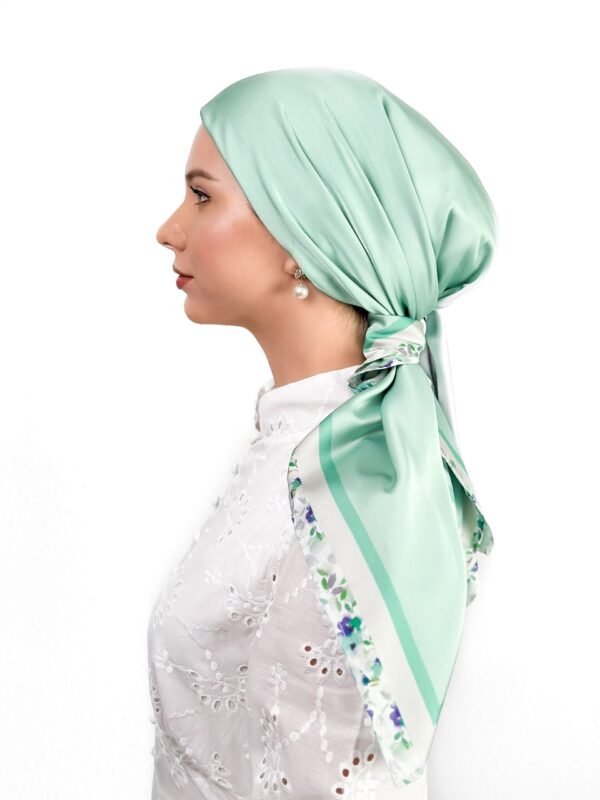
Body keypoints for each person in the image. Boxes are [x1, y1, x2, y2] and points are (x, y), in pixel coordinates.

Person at [150, 67, 497, 799]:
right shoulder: (310, 443)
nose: (169, 229)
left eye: (202, 195)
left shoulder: (351, 481)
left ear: (300, 230)